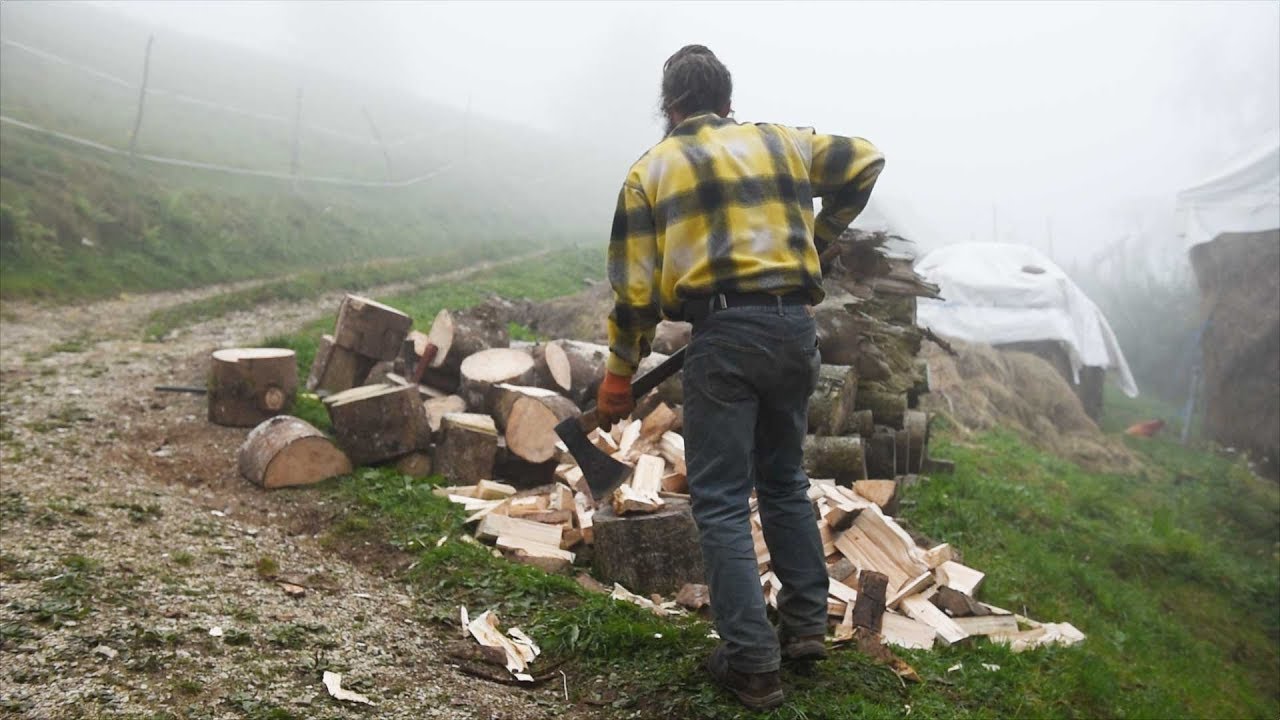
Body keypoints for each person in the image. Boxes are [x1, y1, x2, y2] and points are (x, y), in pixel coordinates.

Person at [596, 44, 884, 710]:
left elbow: (634, 293)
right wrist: (819, 236)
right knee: (783, 480)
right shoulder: (780, 142)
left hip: (722, 337)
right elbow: (866, 160)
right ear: (728, 102)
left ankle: (752, 662)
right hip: (793, 331)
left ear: (669, 107)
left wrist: (618, 373)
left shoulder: (650, 170)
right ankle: (805, 627)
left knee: (722, 500)